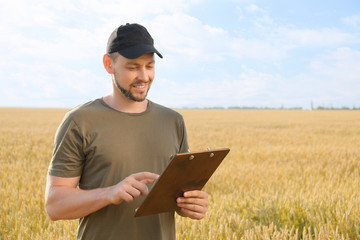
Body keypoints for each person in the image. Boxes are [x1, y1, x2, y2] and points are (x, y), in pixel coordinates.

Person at [45, 23, 209, 240]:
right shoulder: (80, 121)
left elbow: (176, 195)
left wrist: (190, 204)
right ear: (108, 64)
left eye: (149, 66)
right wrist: (109, 193)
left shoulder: (173, 121)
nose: (143, 76)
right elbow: (55, 206)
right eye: (132, 67)